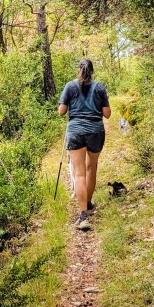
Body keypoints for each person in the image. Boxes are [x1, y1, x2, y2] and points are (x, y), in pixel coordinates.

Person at [58, 58, 111, 230]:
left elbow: (61, 111)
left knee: (79, 174)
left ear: (78, 70)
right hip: (95, 132)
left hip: (76, 132)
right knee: (91, 167)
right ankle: (88, 204)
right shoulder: (99, 87)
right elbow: (107, 114)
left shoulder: (70, 86)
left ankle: (83, 216)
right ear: (92, 71)